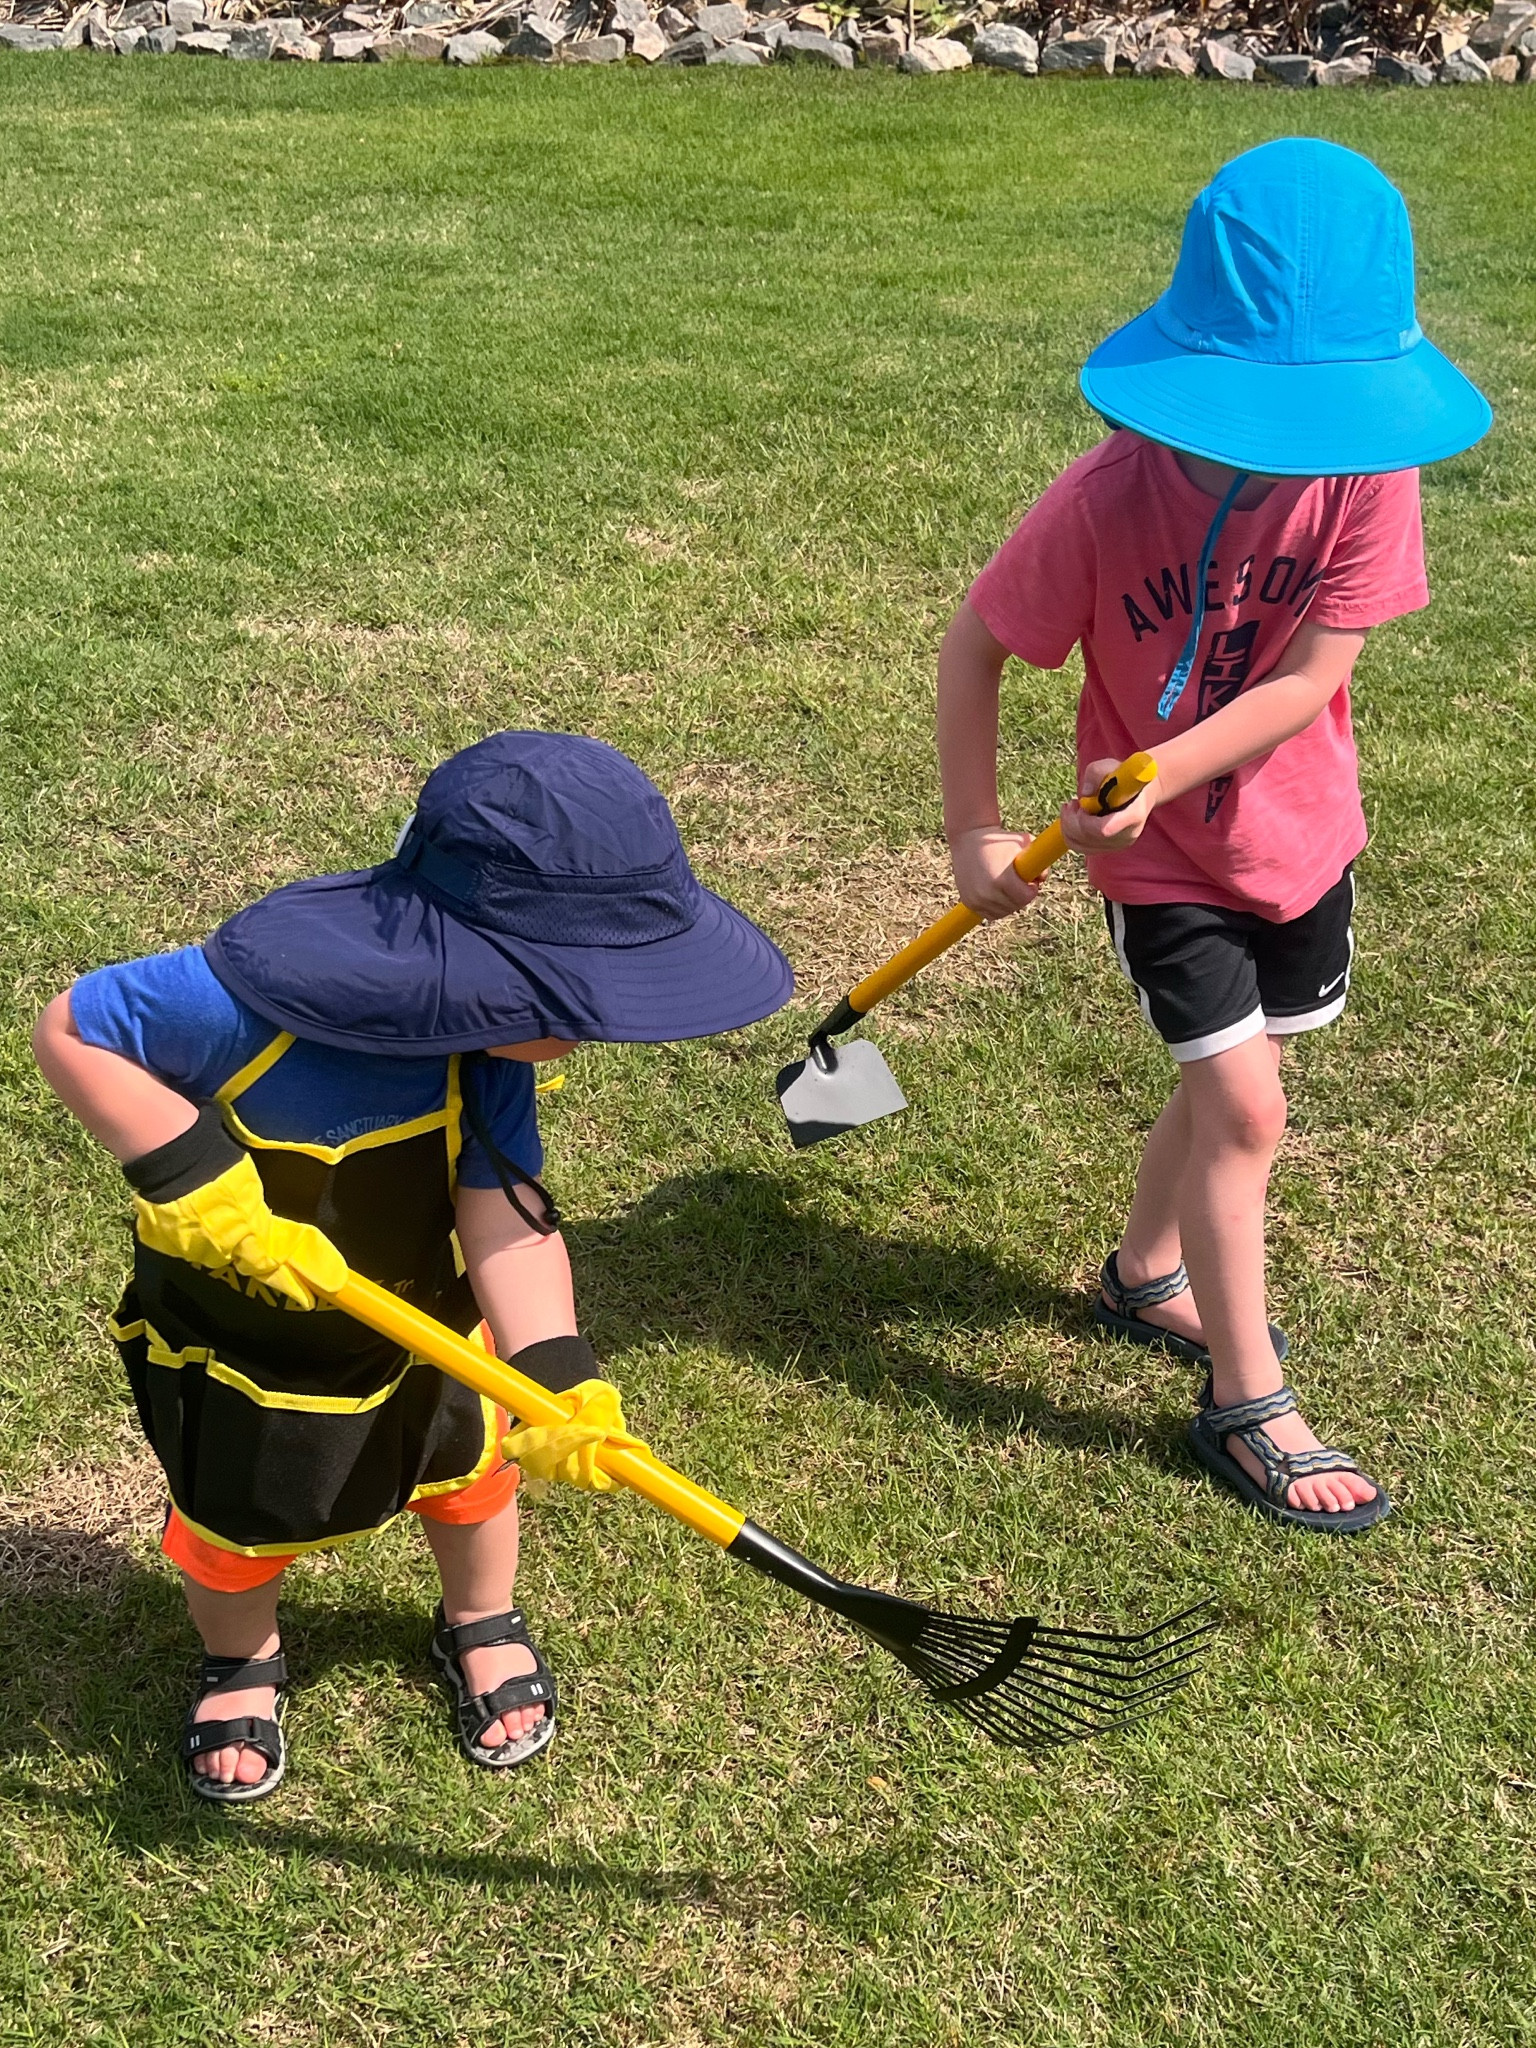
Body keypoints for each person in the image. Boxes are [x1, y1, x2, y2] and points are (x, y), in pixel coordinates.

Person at [33, 730, 792, 1799]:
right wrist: (192, 1173)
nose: (597, 1026)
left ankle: (480, 1613)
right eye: (579, 991)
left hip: (428, 1333)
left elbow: (504, 1214)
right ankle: (242, 1654)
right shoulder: (235, 1004)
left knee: (472, 1484)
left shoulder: (485, 1048)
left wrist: (558, 1371)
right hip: (245, 1339)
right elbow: (73, 1027)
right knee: (234, 1531)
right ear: (474, 954)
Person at [936, 139, 1491, 1535]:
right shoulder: (1105, 499)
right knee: (1245, 1107)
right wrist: (975, 831)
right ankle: (1249, 1402)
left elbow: (1313, 677)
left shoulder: (1369, 477)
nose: (1296, 445)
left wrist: (1163, 762)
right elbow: (976, 651)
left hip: (1300, 837)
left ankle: (1143, 1273)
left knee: (1237, 1081)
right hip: (1162, 865)